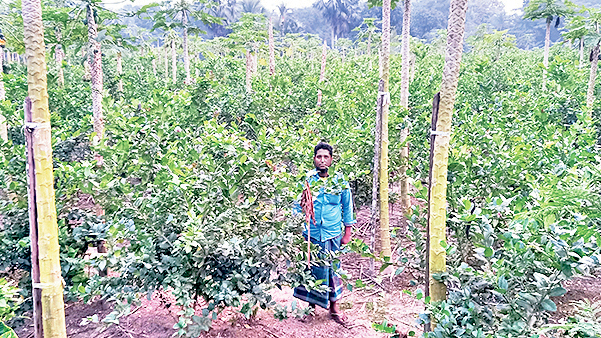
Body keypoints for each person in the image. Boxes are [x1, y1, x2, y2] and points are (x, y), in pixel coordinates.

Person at [293, 142, 356, 325]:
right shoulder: (308, 179)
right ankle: (310, 308)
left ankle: (334, 308)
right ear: (314, 159)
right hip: (311, 233)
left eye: (325, 157)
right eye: (319, 157)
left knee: (332, 270)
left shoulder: (339, 181)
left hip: (332, 233)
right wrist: (297, 228)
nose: (322, 160)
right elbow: (299, 205)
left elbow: (347, 206)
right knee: (310, 268)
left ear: (331, 159)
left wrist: (347, 233)